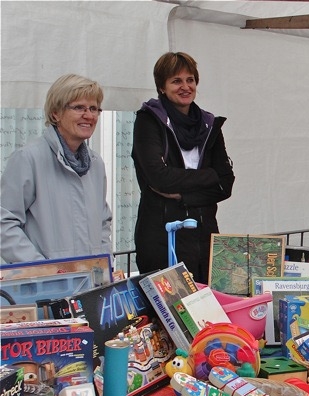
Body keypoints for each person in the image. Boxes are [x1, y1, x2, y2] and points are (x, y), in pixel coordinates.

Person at [132, 52, 235, 283]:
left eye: (190, 80)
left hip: (205, 241)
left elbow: (225, 183)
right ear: (162, 87)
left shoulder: (210, 125)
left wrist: (182, 196)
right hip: (161, 241)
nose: (185, 87)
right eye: (176, 81)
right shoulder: (148, 121)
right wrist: (208, 176)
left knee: (206, 302)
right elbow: (158, 178)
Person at [0, 74, 112, 263]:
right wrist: (43, 269)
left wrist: (103, 264)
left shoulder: (96, 164)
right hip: (46, 280)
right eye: (79, 107)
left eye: (94, 108)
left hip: (90, 278)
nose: (89, 115)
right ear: (55, 114)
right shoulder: (28, 159)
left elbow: (103, 222)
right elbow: (4, 223)